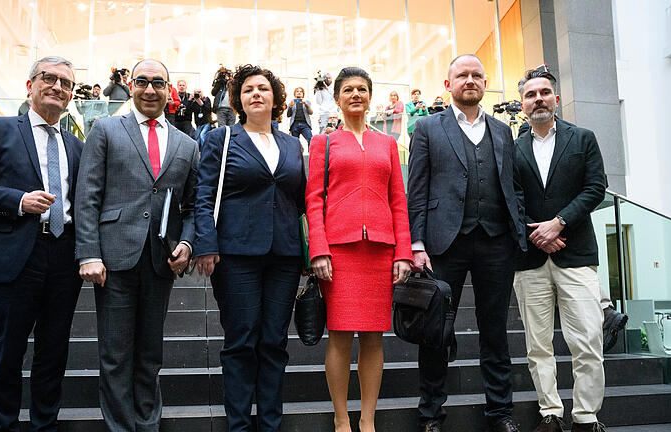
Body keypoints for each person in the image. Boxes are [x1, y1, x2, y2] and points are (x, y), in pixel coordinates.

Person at [0, 56, 84, 431]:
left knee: (53, 352)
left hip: (64, 255)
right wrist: (18, 200)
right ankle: (6, 426)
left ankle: (45, 424)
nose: (58, 87)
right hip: (16, 255)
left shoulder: (77, 146)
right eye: (49, 78)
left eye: (66, 83)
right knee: (9, 352)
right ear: (29, 85)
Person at [75, 59, 198, 432]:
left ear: (168, 91)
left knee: (150, 355)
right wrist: (89, 253)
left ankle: (147, 426)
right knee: (115, 356)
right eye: (142, 82)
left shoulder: (188, 144)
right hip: (113, 259)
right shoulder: (106, 129)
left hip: (161, 262)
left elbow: (192, 206)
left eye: (158, 83)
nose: (149, 89)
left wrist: (189, 244)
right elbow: (88, 195)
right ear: (130, 86)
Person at [407, 54, 526, 432]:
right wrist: (417, 242)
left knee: (495, 332)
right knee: (436, 331)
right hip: (444, 243)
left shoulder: (502, 131)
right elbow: (418, 190)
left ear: (485, 83)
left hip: (496, 242)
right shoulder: (427, 127)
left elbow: (512, 186)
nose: (470, 80)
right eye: (462, 75)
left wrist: (518, 230)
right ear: (448, 85)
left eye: (477, 75)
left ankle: (501, 414)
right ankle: (430, 415)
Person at [194, 64, 305, 432]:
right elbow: (204, 194)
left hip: (285, 257)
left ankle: (270, 425)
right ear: (238, 100)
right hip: (236, 254)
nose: (256, 93)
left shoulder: (292, 143)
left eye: (263, 88)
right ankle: (239, 426)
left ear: (275, 98)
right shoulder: (221, 138)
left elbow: (301, 200)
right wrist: (205, 244)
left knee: (274, 342)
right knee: (241, 341)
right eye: (247, 90)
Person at [307, 67, 412, 432]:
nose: (356, 94)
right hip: (338, 252)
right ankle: (341, 420)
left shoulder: (387, 144)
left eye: (362, 89)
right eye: (348, 89)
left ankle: (367, 420)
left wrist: (403, 253)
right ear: (336, 98)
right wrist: (318, 249)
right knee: (338, 337)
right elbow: (313, 200)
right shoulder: (323, 143)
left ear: (371, 97)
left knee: (373, 338)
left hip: (381, 250)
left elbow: (399, 201)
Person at [513, 68, 608, 432]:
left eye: (544, 92)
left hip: (575, 253)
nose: (538, 99)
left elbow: (595, 187)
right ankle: (550, 413)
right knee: (538, 346)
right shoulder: (512, 147)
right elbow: (510, 198)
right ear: (523, 104)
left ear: (556, 98)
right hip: (530, 259)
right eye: (530, 94)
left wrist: (559, 223)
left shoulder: (582, 138)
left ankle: (585, 417)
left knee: (587, 340)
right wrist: (538, 234)